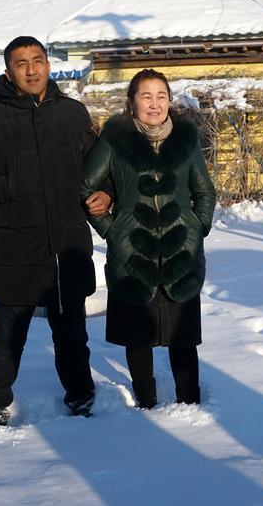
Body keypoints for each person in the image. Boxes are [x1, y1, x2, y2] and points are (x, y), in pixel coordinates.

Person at [0, 36, 110, 426]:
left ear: (48, 66)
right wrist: (9, 187)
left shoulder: (73, 114)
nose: (32, 69)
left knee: (72, 332)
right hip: (15, 245)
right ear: (8, 72)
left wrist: (106, 193)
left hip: (67, 243)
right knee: (8, 332)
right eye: (21, 63)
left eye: (38, 60)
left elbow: (97, 169)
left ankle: (81, 395)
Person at [82, 69, 216, 408]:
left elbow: (205, 191)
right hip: (132, 252)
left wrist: (196, 228)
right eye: (146, 96)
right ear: (132, 102)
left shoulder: (185, 139)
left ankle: (190, 401)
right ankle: (145, 401)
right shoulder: (114, 139)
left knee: (182, 336)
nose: (154, 104)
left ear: (169, 101)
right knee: (137, 336)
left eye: (161, 96)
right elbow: (86, 187)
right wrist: (112, 230)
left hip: (180, 252)